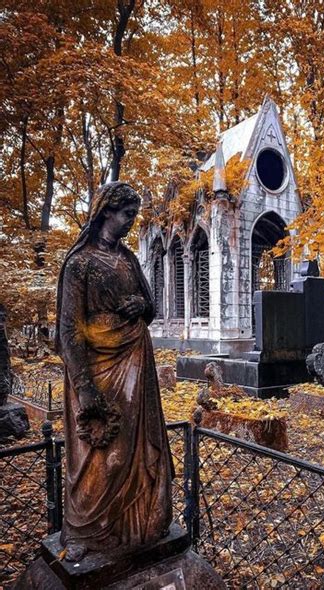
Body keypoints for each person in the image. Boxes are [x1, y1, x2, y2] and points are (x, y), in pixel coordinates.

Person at [55, 182, 174, 562]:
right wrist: (84, 387)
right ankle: (84, 530)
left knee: (136, 451)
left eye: (134, 217)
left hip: (136, 363)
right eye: (127, 215)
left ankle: (136, 525)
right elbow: (70, 331)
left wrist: (140, 303)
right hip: (97, 371)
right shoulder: (80, 264)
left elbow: (151, 307)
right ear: (107, 211)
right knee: (102, 453)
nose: (131, 223)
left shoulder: (128, 260)